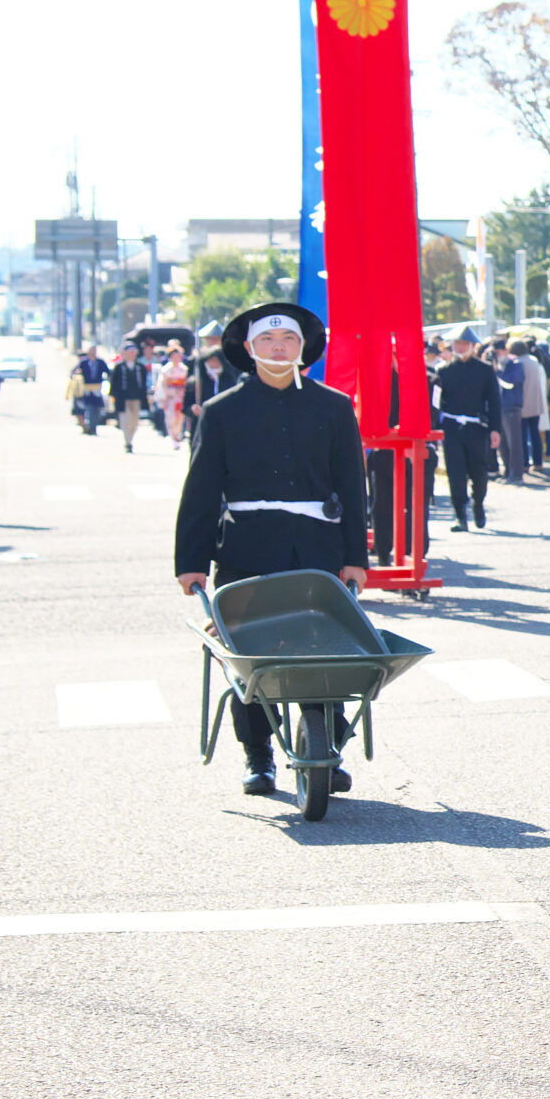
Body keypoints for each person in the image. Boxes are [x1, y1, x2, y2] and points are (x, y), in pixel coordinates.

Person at [173, 303, 369, 799]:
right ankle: (258, 755)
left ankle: (326, 750)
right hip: (245, 547)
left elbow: (351, 485)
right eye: (268, 340)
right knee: (250, 656)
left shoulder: (334, 406)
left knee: (322, 650)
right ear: (249, 348)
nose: (278, 347)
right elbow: (200, 489)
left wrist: (355, 558)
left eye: (288, 339)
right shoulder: (222, 413)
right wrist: (191, 561)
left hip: (316, 549)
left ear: (303, 347)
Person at [432, 327, 499, 531]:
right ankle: (459, 514)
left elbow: (494, 402)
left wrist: (496, 429)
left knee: (479, 472)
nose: (460, 348)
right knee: (455, 472)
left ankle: (478, 504)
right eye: (457, 344)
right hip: (452, 428)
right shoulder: (443, 371)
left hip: (476, 428)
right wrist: (435, 427)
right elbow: (436, 402)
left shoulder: (485, 370)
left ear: (472, 346)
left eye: (463, 344)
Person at [493, 339, 529, 484]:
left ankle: (517, 473)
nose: (497, 355)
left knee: (514, 442)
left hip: (512, 407)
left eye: (498, 352)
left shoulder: (516, 365)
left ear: (506, 351)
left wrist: (498, 371)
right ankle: (507, 471)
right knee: (502, 443)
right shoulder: (494, 366)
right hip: (499, 407)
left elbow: (511, 382)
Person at [513, 333, 549, 472]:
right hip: (536, 402)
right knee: (535, 434)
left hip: (522, 403)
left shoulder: (518, 363)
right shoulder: (534, 361)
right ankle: (538, 462)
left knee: (522, 435)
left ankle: (525, 463)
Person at [108, 342, 147, 454]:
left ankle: (130, 438)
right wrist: (113, 398)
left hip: (136, 398)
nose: (132, 355)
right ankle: (128, 442)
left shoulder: (140, 367)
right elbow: (113, 384)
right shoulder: (119, 367)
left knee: (134, 422)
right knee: (125, 420)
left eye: (133, 352)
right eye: (129, 352)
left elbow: (144, 385)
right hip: (123, 399)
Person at [72, 344, 108, 435]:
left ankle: (94, 426)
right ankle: (91, 427)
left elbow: (108, 372)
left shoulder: (100, 362)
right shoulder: (84, 362)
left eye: (94, 351)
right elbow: (74, 372)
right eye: (91, 351)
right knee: (89, 409)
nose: (93, 353)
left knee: (98, 409)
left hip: (97, 389)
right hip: (87, 390)